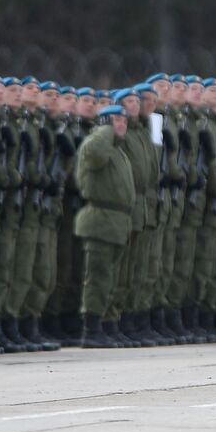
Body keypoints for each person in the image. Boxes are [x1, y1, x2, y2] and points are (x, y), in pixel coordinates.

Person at [74, 104, 136, 348]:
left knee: (110, 279)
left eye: (124, 121)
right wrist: (104, 130)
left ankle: (104, 325)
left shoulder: (117, 151)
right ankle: (91, 329)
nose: (122, 124)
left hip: (117, 222)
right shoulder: (97, 144)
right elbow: (95, 152)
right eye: (116, 120)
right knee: (97, 278)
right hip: (100, 220)